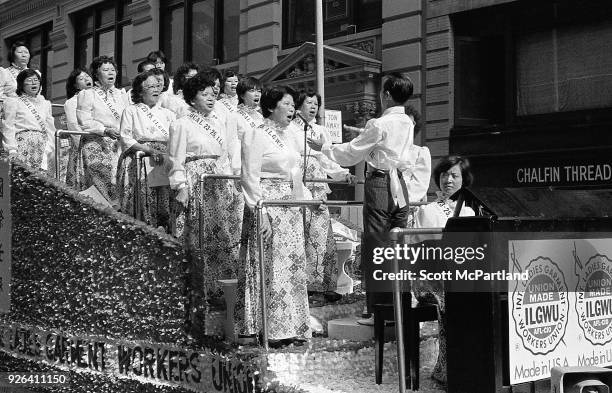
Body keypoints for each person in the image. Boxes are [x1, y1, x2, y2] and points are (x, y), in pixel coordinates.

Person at [308, 72, 415, 323]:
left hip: (380, 183)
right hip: (400, 184)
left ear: (386, 95)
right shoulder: (407, 122)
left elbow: (351, 153)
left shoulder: (378, 124)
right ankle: (398, 309)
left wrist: (324, 148)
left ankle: (377, 311)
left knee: (377, 247)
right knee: (398, 248)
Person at [235, 85, 311, 347]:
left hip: (289, 206)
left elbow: (296, 174)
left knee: (291, 268)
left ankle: (291, 325)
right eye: (287, 104)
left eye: (293, 105)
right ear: (270, 106)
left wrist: (307, 203)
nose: (292, 109)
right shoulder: (256, 134)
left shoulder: (291, 135)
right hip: (266, 203)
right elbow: (249, 177)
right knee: (270, 266)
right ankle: (266, 327)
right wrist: (261, 212)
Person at [168, 71, 242, 302]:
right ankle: (195, 287)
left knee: (221, 233)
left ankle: (220, 286)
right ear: (192, 98)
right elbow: (175, 159)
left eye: (213, 94)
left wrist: (233, 179)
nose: (211, 98)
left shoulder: (221, 122)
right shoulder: (181, 124)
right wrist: (181, 185)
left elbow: (228, 153)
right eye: (204, 94)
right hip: (195, 179)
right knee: (196, 233)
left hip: (219, 180)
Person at [412, 155, 475, 385]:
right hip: (430, 280)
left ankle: (473, 364)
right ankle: (449, 370)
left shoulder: (471, 213)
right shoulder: (428, 211)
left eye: (454, 175)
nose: (448, 180)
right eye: (444, 174)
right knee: (454, 297)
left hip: (461, 276)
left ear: (464, 179)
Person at [290, 89, 353, 296]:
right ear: (298, 105)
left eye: (316, 103)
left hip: (317, 188)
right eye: (309, 102)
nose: (313, 106)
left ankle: (321, 283)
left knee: (319, 232)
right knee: (298, 232)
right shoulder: (289, 128)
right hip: (297, 185)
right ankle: (298, 283)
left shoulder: (321, 131)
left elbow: (328, 159)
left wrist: (343, 174)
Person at [117, 70, 176, 228]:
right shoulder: (131, 111)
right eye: (150, 86)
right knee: (141, 203)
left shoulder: (169, 114)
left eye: (157, 86)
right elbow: (126, 138)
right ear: (140, 91)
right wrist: (149, 150)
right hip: (140, 159)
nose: (156, 89)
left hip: (163, 160)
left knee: (164, 205)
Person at [76, 56, 130, 205]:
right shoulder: (87, 94)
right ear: (96, 74)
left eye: (113, 70)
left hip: (117, 145)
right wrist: (104, 130)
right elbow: (84, 121)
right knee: (100, 182)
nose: (110, 73)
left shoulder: (121, 95)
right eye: (105, 70)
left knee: (118, 182)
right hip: (96, 144)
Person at [1, 69, 55, 170]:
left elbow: (50, 129)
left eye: (36, 80)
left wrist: (50, 147)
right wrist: (12, 149)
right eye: (29, 80)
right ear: (21, 84)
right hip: (22, 145)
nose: (34, 82)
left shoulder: (46, 104)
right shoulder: (13, 102)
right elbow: (8, 127)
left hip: (43, 146)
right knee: (24, 179)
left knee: (42, 181)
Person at [64, 68, 93, 186]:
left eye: (87, 76)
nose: (86, 79)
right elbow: (74, 128)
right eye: (81, 78)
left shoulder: (99, 96)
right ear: (76, 85)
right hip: (84, 147)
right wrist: (84, 147)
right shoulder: (71, 102)